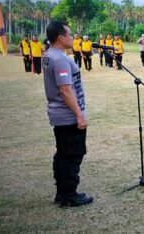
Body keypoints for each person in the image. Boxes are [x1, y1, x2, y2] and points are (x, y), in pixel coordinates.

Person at [42, 21, 93, 207]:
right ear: (60, 37)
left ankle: (62, 192)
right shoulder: (60, 59)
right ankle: (69, 196)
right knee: (72, 155)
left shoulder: (50, 55)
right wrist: (79, 115)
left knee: (63, 154)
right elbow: (65, 90)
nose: (72, 37)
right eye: (69, 34)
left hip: (60, 115)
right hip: (67, 115)